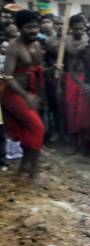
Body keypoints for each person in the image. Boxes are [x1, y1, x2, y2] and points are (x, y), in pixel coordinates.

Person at [1, 9, 45, 183]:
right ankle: (34, 170)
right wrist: (25, 94)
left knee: (30, 130)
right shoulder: (14, 47)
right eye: (29, 27)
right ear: (20, 28)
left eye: (35, 27)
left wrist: (51, 71)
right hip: (13, 94)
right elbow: (7, 76)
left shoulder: (36, 45)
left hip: (31, 93)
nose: (34, 30)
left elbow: (37, 70)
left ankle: (23, 170)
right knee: (38, 128)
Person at [65, 14, 88, 151]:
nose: (79, 31)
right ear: (71, 29)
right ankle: (74, 142)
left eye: (81, 28)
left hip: (85, 76)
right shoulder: (65, 41)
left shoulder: (88, 39)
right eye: (76, 29)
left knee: (83, 110)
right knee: (71, 109)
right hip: (71, 77)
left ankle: (84, 141)